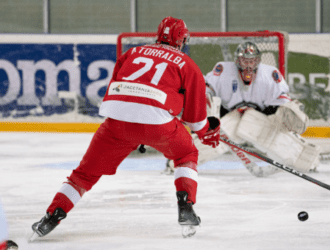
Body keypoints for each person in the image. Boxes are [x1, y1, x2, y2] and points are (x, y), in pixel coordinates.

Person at [30, 16, 220, 240]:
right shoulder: (187, 64)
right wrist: (209, 131)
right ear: (182, 40)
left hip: (117, 122)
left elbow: (121, 91)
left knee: (84, 174)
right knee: (187, 153)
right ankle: (186, 206)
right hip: (157, 124)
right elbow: (196, 122)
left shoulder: (133, 52)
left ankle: (51, 216)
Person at [165, 41, 322, 176]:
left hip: (260, 118)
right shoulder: (223, 70)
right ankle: (180, 160)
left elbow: (283, 99)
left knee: (259, 127)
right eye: (244, 60)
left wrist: (288, 110)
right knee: (216, 138)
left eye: (252, 60)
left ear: (258, 60)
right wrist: (204, 99)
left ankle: (306, 159)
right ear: (237, 61)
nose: (249, 65)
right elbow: (207, 88)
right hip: (231, 117)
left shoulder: (270, 74)